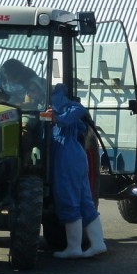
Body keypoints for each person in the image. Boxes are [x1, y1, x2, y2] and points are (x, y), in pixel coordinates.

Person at [49, 83, 107, 259]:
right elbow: (81, 123)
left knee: (68, 199)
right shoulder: (67, 109)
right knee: (84, 200)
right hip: (78, 155)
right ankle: (98, 243)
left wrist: (56, 117)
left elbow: (78, 111)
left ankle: (74, 247)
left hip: (65, 156)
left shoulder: (62, 110)